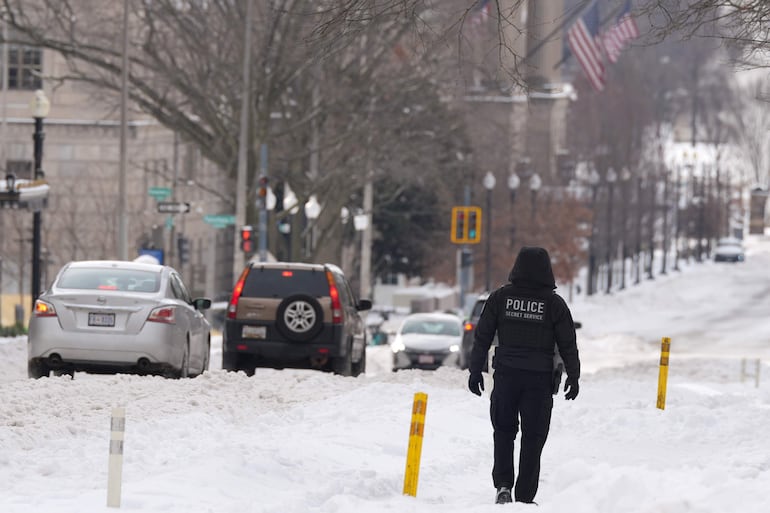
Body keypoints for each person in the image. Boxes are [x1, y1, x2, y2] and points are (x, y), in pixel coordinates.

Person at [467, 246, 580, 505]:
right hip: (539, 381)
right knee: (533, 437)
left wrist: (476, 370)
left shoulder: (500, 299)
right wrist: (574, 376)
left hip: (506, 376)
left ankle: (503, 486)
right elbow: (567, 343)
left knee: (504, 432)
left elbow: (482, 336)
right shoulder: (554, 304)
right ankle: (525, 497)